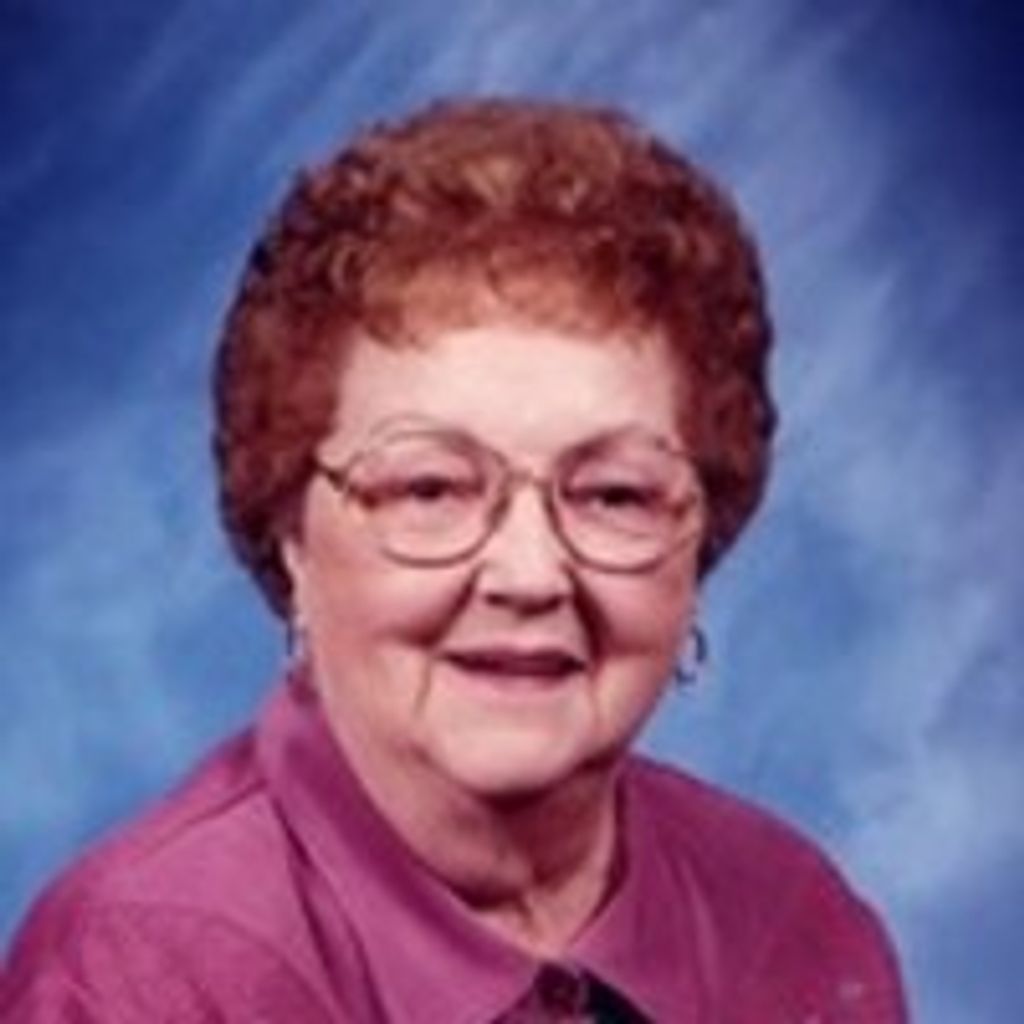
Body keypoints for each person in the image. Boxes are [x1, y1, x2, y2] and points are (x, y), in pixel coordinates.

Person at [1, 98, 908, 1023]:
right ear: (290, 534)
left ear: (701, 537)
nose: (530, 575)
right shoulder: (140, 973)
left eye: (614, 495)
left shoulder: (795, 924)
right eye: (431, 488)